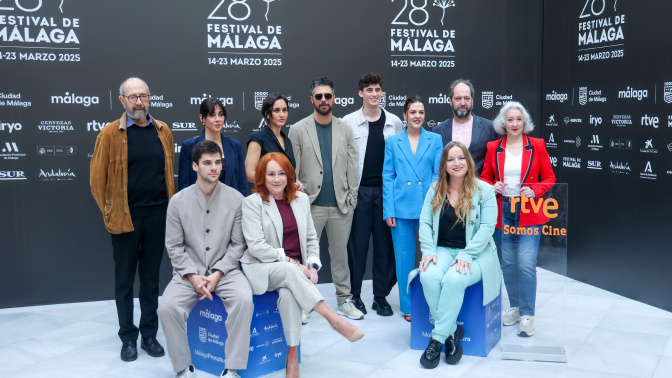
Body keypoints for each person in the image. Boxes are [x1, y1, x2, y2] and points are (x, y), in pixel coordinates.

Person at [240, 152, 364, 378]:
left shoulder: (301, 200)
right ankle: (333, 318)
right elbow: (256, 246)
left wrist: (313, 266)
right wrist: (293, 263)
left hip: (294, 272)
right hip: (263, 268)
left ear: (289, 176)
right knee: (289, 271)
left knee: (288, 293)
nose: (276, 179)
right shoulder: (252, 203)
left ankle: (292, 355)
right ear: (262, 177)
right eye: (270, 174)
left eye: (281, 174)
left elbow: (310, 238)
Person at [90, 77, 173, 362]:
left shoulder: (163, 131)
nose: (139, 102)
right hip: (125, 219)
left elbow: (168, 174)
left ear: (150, 98)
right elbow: (96, 181)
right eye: (132, 97)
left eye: (143, 96)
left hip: (158, 215)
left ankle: (149, 335)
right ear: (122, 101)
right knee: (124, 282)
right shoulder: (110, 133)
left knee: (151, 280)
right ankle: (128, 337)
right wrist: (111, 211)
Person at [158, 140, 253, 378]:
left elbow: (238, 245)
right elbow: (174, 246)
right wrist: (192, 276)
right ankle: (183, 368)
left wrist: (218, 273)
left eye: (217, 162)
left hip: (227, 272)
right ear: (194, 166)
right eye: (207, 163)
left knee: (244, 300)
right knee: (167, 307)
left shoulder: (237, 199)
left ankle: (232, 368)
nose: (214, 167)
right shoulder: (177, 202)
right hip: (188, 273)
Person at [418, 141, 501, 368]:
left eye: (461, 158)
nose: (456, 163)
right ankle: (453, 332)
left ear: (469, 161)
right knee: (427, 276)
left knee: (454, 280)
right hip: (442, 249)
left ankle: (436, 340)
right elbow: (424, 222)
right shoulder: (435, 188)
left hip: (476, 252)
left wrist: (466, 255)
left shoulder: (485, 190)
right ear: (444, 164)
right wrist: (428, 250)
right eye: (451, 159)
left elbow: (487, 228)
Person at [288, 77, 363, 320]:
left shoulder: (346, 129)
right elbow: (293, 169)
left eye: (327, 96)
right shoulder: (298, 129)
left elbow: (354, 165)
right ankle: (302, 304)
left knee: (341, 257)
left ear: (333, 99)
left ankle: (344, 301)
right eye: (319, 96)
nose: (323, 100)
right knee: (304, 257)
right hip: (310, 205)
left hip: (341, 205)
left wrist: (351, 197)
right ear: (312, 100)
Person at [480, 101, 556, 337]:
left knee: (526, 265)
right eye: (510, 120)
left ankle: (527, 315)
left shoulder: (537, 145)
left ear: (525, 123)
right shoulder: (494, 147)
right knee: (509, 264)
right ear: (503, 123)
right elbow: (484, 178)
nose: (514, 124)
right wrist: (493, 186)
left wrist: (536, 191)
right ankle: (513, 307)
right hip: (503, 212)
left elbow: (550, 177)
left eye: (519, 119)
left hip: (529, 212)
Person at [342, 73, 403, 316]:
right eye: (369, 90)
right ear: (361, 93)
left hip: (386, 192)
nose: (374, 94)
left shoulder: (395, 122)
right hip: (359, 192)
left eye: (378, 89)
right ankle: (355, 295)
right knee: (357, 245)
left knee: (384, 246)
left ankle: (380, 297)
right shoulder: (348, 121)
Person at [382, 96, 443, 322]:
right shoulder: (392, 142)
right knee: (404, 258)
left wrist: (436, 204)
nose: (417, 116)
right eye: (413, 112)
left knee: (431, 256)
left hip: (428, 206)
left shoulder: (435, 140)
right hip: (401, 208)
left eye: (421, 112)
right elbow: (387, 177)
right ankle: (407, 305)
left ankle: (431, 300)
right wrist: (389, 210)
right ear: (405, 115)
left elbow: (438, 175)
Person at [177, 97, 247, 196]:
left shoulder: (235, 146)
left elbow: (242, 184)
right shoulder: (189, 146)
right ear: (202, 118)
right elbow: (184, 186)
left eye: (221, 115)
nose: (218, 119)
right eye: (212, 115)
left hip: (231, 207)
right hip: (199, 206)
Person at [432, 79, 498, 175]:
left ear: (472, 100)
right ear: (450, 101)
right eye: (458, 98)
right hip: (450, 188)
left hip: (480, 188)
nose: (463, 103)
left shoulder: (489, 128)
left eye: (466, 98)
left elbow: (495, 164)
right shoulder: (439, 131)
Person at [245, 92, 304, 191]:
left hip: (286, 198)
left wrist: (295, 182)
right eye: (276, 110)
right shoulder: (258, 137)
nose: (282, 114)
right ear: (267, 114)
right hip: (266, 197)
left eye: (284, 110)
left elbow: (287, 172)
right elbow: (249, 173)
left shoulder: (287, 140)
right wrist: (283, 183)